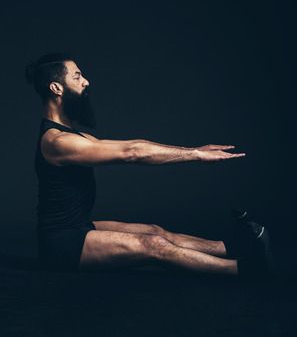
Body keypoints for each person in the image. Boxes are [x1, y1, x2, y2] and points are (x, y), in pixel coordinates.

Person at [25, 52, 274, 278]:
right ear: (57, 87)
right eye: (77, 77)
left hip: (77, 227)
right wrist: (196, 154)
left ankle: (233, 247)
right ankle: (247, 270)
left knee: (155, 231)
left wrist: (191, 149)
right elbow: (132, 152)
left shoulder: (75, 136)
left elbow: (131, 146)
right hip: (62, 245)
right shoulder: (57, 141)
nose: (86, 81)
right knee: (155, 247)